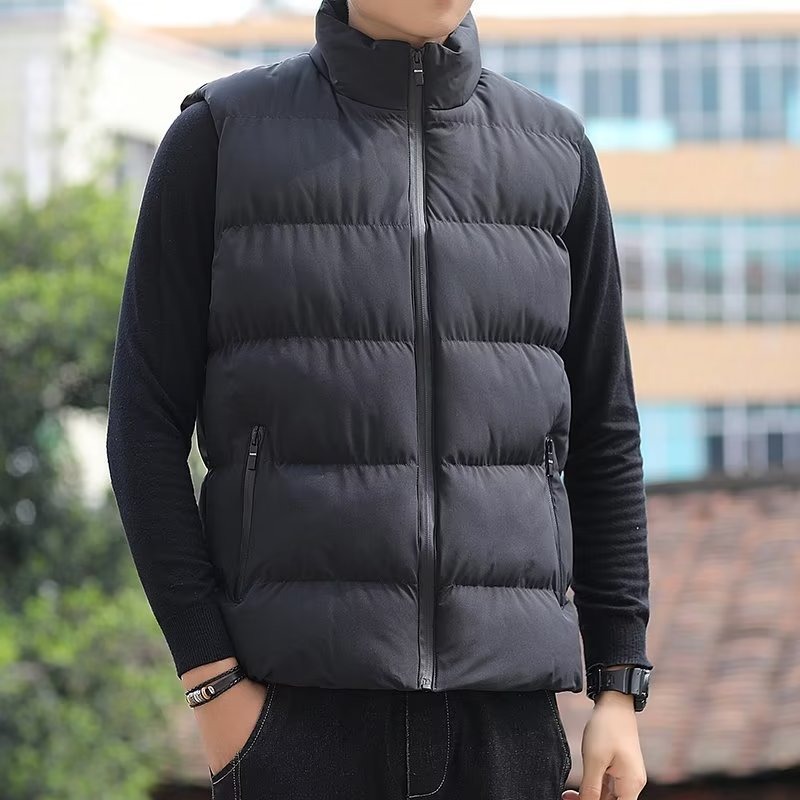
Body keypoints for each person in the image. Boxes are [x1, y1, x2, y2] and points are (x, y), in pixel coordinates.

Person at [106, 0, 654, 798]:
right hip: (296, 718)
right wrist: (212, 683)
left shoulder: (556, 152)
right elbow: (142, 426)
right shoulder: (221, 138)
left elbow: (605, 430)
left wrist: (618, 685)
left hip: (504, 727)